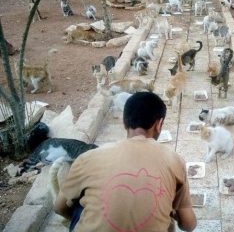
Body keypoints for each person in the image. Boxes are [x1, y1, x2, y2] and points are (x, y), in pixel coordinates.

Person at [54, 92, 197, 232]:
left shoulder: (87, 158)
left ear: (124, 122)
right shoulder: (174, 160)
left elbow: (60, 208)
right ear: (159, 124)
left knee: (82, 203)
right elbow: (189, 225)